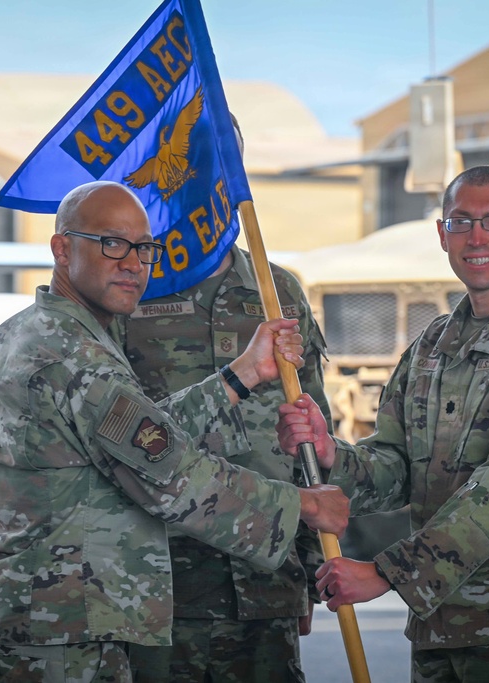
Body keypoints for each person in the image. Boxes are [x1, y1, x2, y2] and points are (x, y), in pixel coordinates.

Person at [0, 180, 350, 683]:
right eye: (111, 243)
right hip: (61, 636)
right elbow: (169, 474)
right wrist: (305, 507)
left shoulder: (34, 331)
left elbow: (137, 438)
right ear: (61, 248)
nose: (133, 263)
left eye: (144, 248)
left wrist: (241, 376)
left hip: (49, 624)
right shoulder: (75, 356)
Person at [277, 165, 489, 683]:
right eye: (461, 223)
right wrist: (332, 456)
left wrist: (389, 574)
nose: (476, 238)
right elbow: (397, 465)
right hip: (441, 628)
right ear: (442, 235)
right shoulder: (432, 346)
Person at [123, 116, 333, 682]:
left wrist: (312, 566)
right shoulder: (133, 288)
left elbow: (310, 435)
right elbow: (119, 438)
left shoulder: (277, 290)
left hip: (266, 579)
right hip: (163, 585)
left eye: (223, 162)